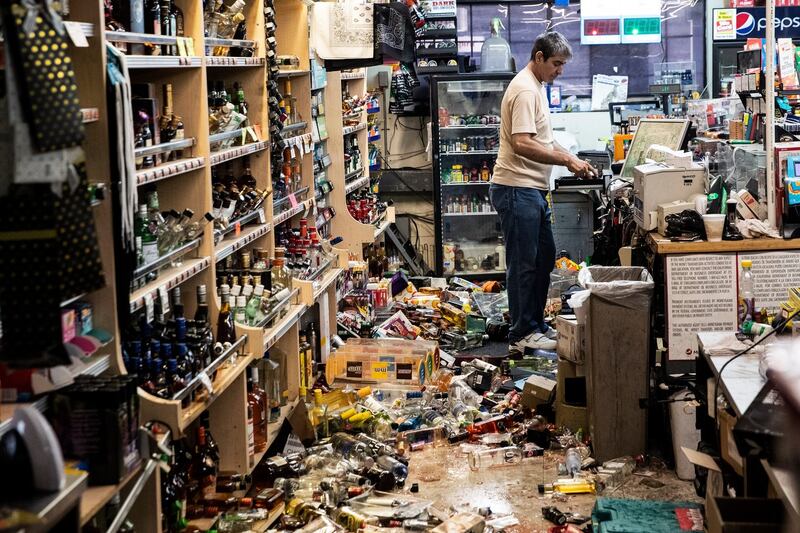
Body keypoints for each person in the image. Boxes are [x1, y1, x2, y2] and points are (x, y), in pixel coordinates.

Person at [490, 31, 595, 355]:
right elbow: (522, 143)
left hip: (533, 189)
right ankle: (521, 333)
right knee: (524, 263)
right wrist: (565, 159)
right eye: (556, 64)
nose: (560, 71)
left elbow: (544, 140)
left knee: (543, 258)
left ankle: (534, 324)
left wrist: (572, 159)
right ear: (538, 57)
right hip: (516, 188)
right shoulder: (524, 89)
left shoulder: (535, 87)